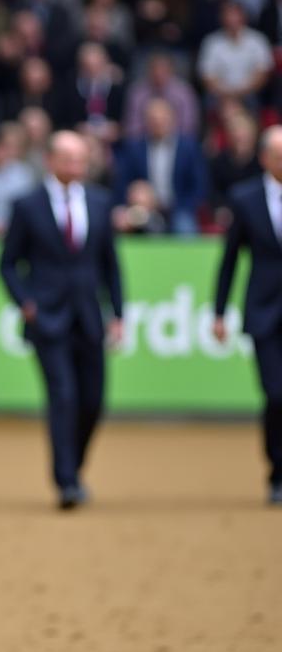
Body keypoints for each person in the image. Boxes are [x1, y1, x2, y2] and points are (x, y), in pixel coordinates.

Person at [0, 131, 123, 509]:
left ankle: (75, 467)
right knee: (63, 396)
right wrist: (27, 302)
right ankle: (66, 481)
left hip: (89, 317)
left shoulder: (101, 203)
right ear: (52, 161)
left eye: (81, 159)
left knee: (93, 401)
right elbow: (7, 264)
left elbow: (110, 265)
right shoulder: (27, 205)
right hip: (47, 319)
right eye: (69, 159)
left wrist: (118, 313)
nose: (76, 166)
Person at [213, 126, 282, 505]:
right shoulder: (245, 199)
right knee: (276, 393)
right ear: (265, 158)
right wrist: (219, 311)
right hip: (265, 311)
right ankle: (277, 470)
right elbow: (229, 261)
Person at [114, 98, 207, 235]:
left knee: (184, 228)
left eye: (162, 119)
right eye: (153, 120)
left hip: (180, 208)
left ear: (173, 120)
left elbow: (199, 186)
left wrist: (181, 206)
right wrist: (135, 196)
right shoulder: (134, 149)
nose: (158, 124)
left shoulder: (189, 148)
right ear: (146, 122)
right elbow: (123, 183)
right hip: (142, 210)